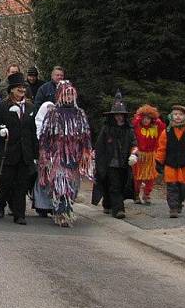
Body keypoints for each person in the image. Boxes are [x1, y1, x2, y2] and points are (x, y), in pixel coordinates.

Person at [36, 81, 93, 227]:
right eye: (66, 94)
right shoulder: (53, 113)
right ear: (60, 95)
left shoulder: (79, 113)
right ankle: (62, 213)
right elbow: (45, 136)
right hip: (58, 156)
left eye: (71, 94)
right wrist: (45, 155)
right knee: (61, 186)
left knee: (72, 187)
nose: (69, 97)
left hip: (74, 156)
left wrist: (86, 152)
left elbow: (86, 135)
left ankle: (65, 209)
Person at [0, 72, 38, 224]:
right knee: (6, 183)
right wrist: (1, 131)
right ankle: (1, 203)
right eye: (19, 89)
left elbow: (33, 131)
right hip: (8, 152)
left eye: (23, 89)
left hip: (25, 153)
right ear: (11, 90)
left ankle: (19, 214)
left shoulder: (30, 107)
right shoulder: (1, 106)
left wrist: (36, 154)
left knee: (21, 185)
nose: (22, 91)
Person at [92, 91, 138, 219]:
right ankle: (119, 209)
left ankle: (108, 204)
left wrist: (134, 154)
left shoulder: (129, 130)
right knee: (114, 185)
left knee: (122, 184)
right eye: (117, 115)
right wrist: (96, 157)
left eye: (121, 115)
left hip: (124, 163)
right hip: (110, 163)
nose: (119, 117)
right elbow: (100, 145)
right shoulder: (107, 129)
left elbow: (134, 143)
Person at [156, 105, 185, 218]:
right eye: (175, 114)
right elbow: (161, 148)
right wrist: (159, 162)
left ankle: (178, 203)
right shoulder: (166, 132)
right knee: (172, 187)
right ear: (171, 116)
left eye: (181, 114)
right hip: (170, 164)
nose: (178, 116)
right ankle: (173, 208)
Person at [131, 104, 166, 205]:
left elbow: (163, 128)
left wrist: (157, 119)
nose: (146, 120)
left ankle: (147, 194)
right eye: (144, 118)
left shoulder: (156, 127)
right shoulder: (137, 127)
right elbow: (133, 124)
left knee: (151, 177)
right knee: (138, 176)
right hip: (140, 154)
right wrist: (138, 117)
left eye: (148, 118)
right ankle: (136, 194)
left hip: (151, 155)